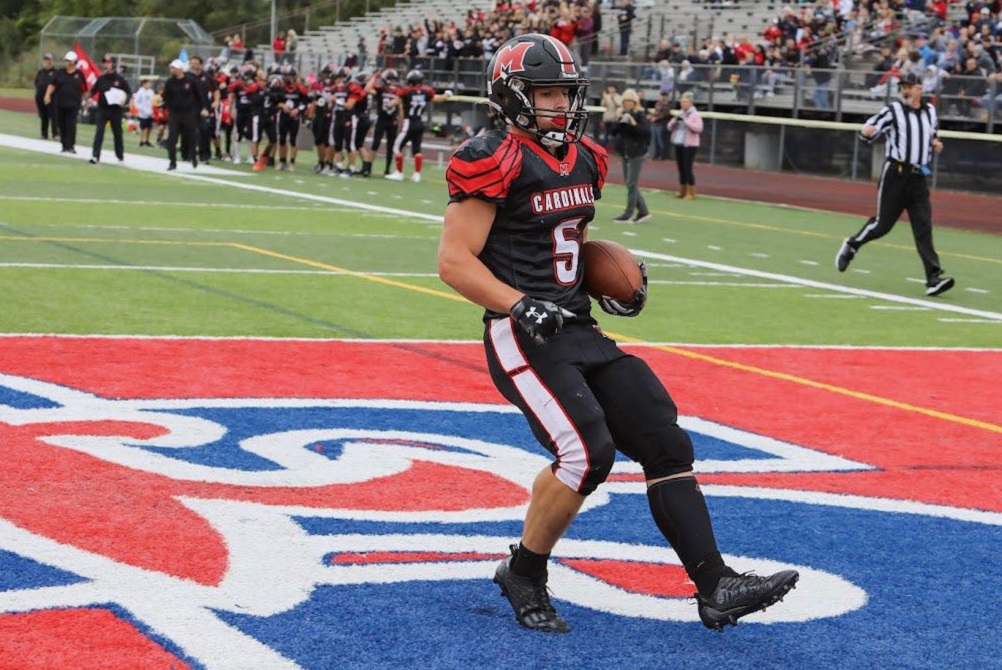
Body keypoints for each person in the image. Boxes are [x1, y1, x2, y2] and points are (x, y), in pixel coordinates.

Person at [438, 32, 799, 635]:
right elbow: (455, 261)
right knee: (587, 453)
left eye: (564, 93)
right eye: (545, 93)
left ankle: (716, 586)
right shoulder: (490, 156)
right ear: (512, 96)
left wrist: (609, 284)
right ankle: (524, 571)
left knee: (664, 438)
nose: (559, 105)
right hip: (520, 333)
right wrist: (520, 303)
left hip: (579, 324)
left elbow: (564, 244)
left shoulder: (586, 157)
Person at [835, 73, 954, 297]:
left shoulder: (930, 111)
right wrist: (866, 131)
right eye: (903, 87)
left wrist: (936, 144)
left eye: (910, 86)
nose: (905, 90)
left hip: (919, 177)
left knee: (923, 227)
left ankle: (933, 278)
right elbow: (869, 129)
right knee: (882, 225)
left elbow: (931, 136)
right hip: (896, 174)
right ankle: (852, 244)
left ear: (920, 89)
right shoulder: (893, 111)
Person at [386, 69, 450, 182]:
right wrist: (446, 95)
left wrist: (389, 105)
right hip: (419, 123)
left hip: (408, 123)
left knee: (396, 147)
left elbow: (394, 103)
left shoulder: (406, 91)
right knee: (417, 149)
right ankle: (417, 174)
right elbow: (437, 99)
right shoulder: (427, 91)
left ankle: (399, 173)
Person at [612, 88, 651, 223]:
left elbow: (645, 132)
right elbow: (613, 132)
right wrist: (618, 119)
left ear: (635, 102)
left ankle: (628, 213)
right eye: (626, 101)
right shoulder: (622, 113)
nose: (628, 103)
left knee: (632, 183)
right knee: (630, 184)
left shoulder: (640, 115)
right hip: (625, 152)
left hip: (637, 153)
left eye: (630, 101)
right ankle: (643, 211)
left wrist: (633, 123)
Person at [161, 58, 206, 170]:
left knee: (191, 136)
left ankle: (193, 157)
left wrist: (203, 108)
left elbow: (200, 96)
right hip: (174, 114)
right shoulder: (169, 82)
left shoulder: (191, 81)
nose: (172, 70)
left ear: (180, 69)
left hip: (188, 113)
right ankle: (172, 162)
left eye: (174, 68)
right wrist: (162, 104)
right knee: (172, 138)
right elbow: (166, 97)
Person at [89, 54, 132, 164]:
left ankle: (120, 155)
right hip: (103, 109)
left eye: (109, 62)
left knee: (117, 133)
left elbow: (129, 92)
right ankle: (95, 155)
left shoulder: (120, 79)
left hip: (115, 110)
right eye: (105, 62)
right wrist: (88, 98)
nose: (106, 64)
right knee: (99, 132)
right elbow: (93, 91)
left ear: (113, 64)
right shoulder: (101, 78)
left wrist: (124, 100)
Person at [44, 51, 88, 154]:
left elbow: (84, 90)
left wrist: (86, 101)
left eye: (68, 61)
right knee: (62, 125)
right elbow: (52, 85)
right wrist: (47, 95)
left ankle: (71, 146)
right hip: (60, 103)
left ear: (73, 62)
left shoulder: (79, 75)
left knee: (71, 125)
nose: (66, 62)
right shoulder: (60, 73)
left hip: (74, 104)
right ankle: (64, 145)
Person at [667, 91, 704, 199]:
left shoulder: (695, 114)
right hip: (679, 142)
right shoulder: (680, 113)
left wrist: (686, 121)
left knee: (688, 167)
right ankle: (682, 190)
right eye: (682, 102)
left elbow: (699, 128)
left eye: (685, 102)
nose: (683, 104)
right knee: (681, 167)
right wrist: (675, 121)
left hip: (690, 145)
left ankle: (691, 192)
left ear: (690, 103)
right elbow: (669, 127)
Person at [34, 53, 58, 140]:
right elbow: (37, 83)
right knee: (43, 116)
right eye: (45, 59)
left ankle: (55, 134)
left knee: (54, 116)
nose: (46, 61)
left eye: (48, 60)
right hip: (40, 97)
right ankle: (44, 134)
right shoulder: (41, 72)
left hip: (52, 98)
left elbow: (56, 84)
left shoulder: (55, 72)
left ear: (51, 61)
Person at [133, 79, 155, 147]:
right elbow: (136, 102)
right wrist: (142, 109)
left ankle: (147, 140)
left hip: (150, 112)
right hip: (143, 113)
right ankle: (142, 140)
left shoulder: (151, 92)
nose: (149, 85)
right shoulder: (140, 92)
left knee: (149, 127)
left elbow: (153, 101)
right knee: (143, 127)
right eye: (148, 83)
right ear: (144, 84)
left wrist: (153, 110)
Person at [599, 84, 621, 150]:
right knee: (606, 134)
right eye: (609, 88)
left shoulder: (618, 96)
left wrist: (613, 99)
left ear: (615, 89)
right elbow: (602, 104)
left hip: (614, 118)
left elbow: (619, 105)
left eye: (612, 88)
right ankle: (604, 148)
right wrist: (605, 97)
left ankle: (616, 149)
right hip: (607, 118)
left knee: (614, 134)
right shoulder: (606, 96)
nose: (611, 90)